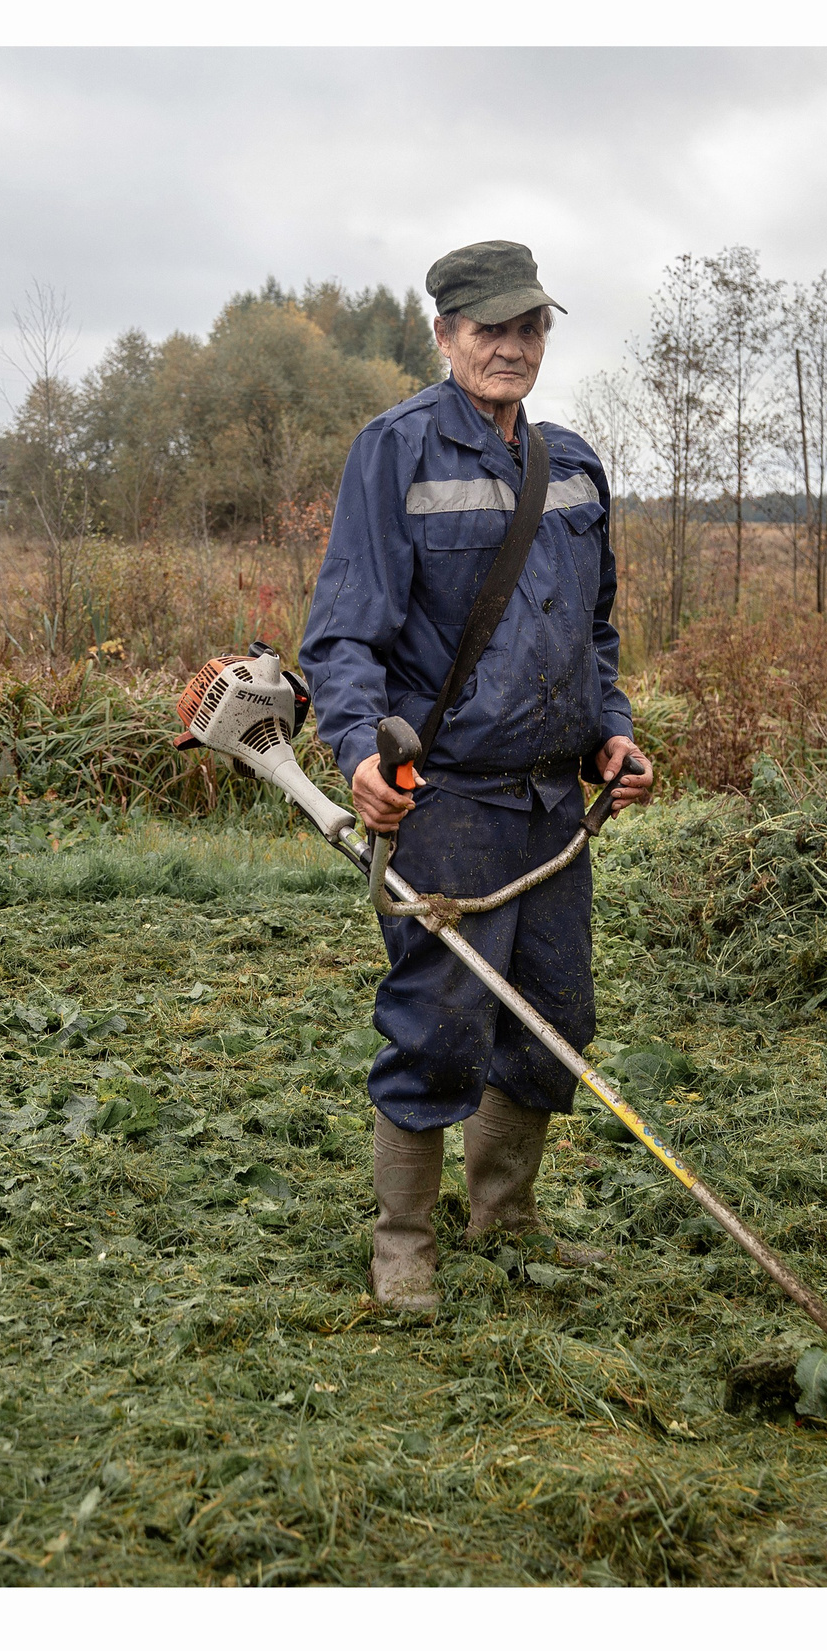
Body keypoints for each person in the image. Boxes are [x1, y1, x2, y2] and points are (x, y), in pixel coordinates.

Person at [299, 240, 655, 1310]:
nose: (510, 347)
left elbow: (593, 635)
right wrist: (359, 750)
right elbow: (343, 638)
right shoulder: (394, 451)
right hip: (445, 796)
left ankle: (505, 1211)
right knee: (439, 1020)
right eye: (487, 328)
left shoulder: (577, 465)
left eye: (528, 327)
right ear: (445, 334)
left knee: (555, 1018)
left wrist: (614, 732)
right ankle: (404, 1236)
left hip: (553, 801)